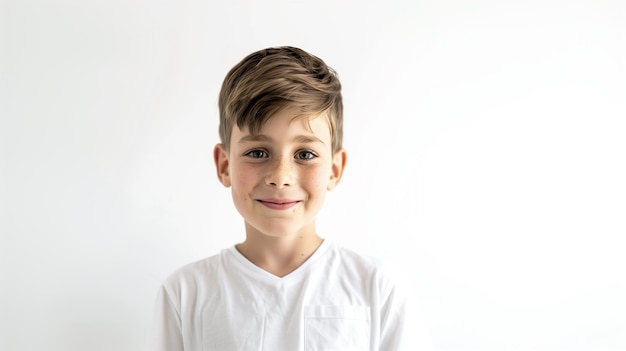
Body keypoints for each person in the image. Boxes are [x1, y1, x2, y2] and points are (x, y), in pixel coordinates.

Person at [149, 46, 407, 350]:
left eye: (305, 154)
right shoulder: (186, 293)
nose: (280, 176)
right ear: (224, 165)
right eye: (257, 153)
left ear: (334, 170)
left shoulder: (375, 287)